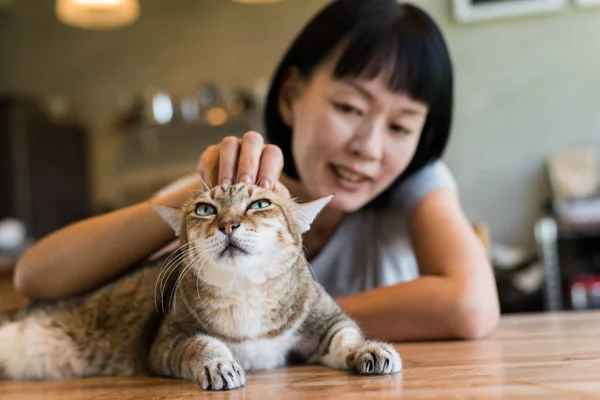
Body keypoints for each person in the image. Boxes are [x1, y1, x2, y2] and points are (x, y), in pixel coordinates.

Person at [13, 0, 499, 341]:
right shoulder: (228, 196)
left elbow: (470, 307)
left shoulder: (417, 183)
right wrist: (192, 198)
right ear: (290, 97)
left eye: (400, 126)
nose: (369, 148)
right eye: (350, 108)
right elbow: (35, 277)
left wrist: (284, 322)